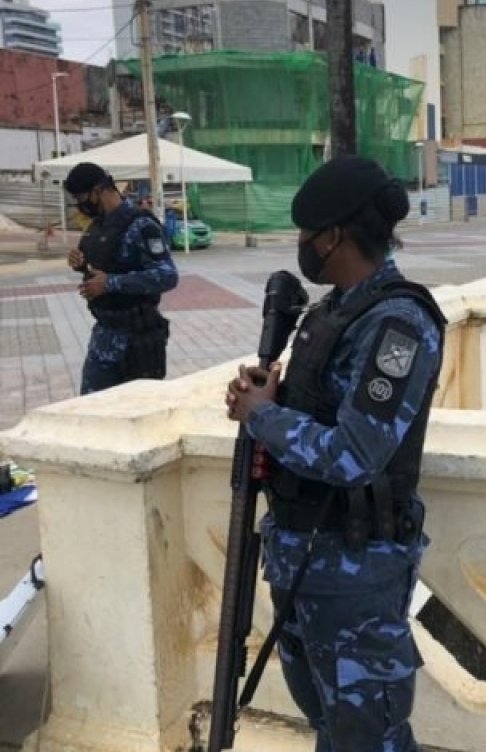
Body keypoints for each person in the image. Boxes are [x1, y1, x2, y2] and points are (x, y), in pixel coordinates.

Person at [223, 156, 445, 751]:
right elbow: (313, 412)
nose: (301, 245)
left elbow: (355, 455)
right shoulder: (330, 312)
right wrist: (267, 398)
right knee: (330, 726)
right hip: (300, 561)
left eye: (305, 234)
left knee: (367, 737)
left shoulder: (399, 323)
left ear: (333, 236)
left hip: (355, 574)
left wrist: (261, 416)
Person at [63, 162, 179, 395]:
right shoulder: (98, 225)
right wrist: (80, 263)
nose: (80, 205)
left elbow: (168, 276)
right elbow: (103, 266)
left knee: (138, 412)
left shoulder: (141, 225)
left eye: (81, 197)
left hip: (137, 339)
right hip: (105, 334)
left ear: (98, 191)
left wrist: (110, 283)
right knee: (92, 410)